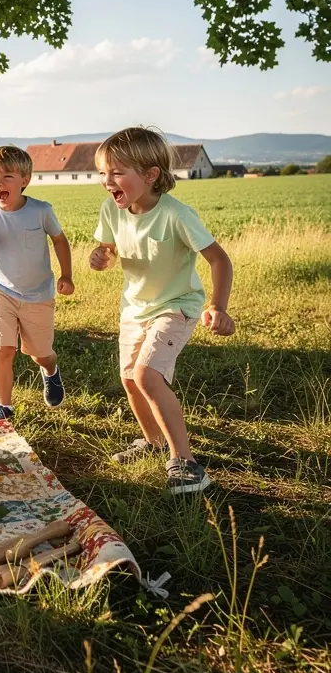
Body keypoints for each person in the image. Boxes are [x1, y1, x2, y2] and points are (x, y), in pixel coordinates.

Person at [90, 127, 235, 494]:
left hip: (177, 306)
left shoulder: (176, 215)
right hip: (135, 307)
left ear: (151, 174)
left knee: (147, 376)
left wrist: (218, 306)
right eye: (104, 172)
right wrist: (102, 256)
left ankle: (186, 464)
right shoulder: (112, 208)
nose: (107, 181)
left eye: (117, 172)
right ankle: (151, 442)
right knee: (129, 378)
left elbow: (219, 260)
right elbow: (108, 247)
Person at [0, 145, 73, 423]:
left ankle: (51, 372)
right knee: (2, 349)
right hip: (0, 290)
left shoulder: (41, 211)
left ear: (24, 180)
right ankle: (4, 407)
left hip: (38, 294)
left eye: (6, 177)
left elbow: (60, 240)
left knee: (41, 354)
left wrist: (66, 275)